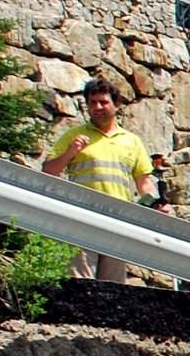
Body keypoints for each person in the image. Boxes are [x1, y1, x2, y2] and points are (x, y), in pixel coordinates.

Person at [41, 81, 159, 283]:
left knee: (113, 287)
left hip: (118, 223)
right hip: (82, 219)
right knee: (81, 282)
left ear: (116, 104)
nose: (97, 108)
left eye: (103, 102)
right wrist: (71, 153)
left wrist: (156, 204)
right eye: (92, 103)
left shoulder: (131, 141)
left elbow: (144, 181)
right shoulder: (74, 136)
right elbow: (48, 171)